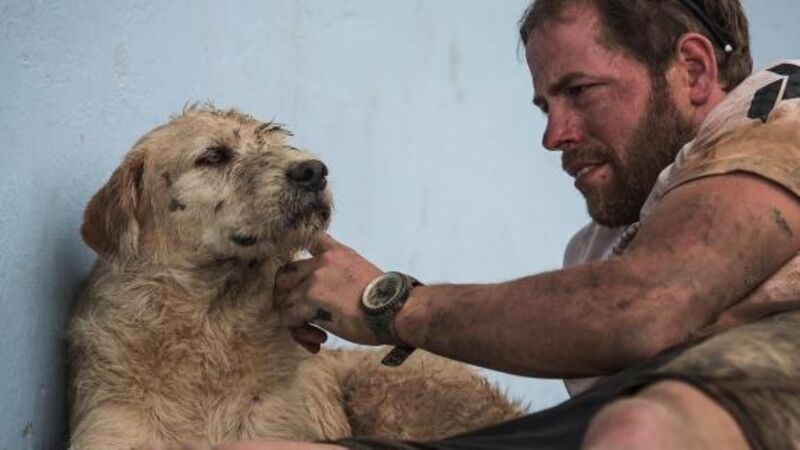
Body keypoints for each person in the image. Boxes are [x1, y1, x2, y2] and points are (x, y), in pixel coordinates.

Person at [157, 0, 800, 449]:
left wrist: (390, 304)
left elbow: (639, 308)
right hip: (619, 417)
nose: (555, 134)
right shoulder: (599, 248)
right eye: (545, 104)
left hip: (703, 415)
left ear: (691, 69)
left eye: (579, 91)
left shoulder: (782, 109)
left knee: (644, 431)